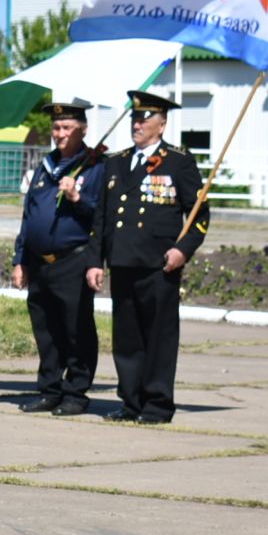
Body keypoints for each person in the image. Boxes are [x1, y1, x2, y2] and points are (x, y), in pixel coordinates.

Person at [94, 89, 208, 423]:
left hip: (160, 264)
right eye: (135, 118)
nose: (137, 124)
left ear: (162, 124)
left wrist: (182, 250)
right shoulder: (116, 162)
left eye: (145, 119)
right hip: (123, 260)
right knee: (127, 337)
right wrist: (94, 261)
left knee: (158, 337)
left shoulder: (178, 161)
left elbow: (200, 214)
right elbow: (101, 218)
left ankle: (157, 404)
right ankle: (131, 401)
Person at [11, 101, 103, 416]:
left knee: (76, 330)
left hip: (73, 260)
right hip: (39, 261)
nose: (59, 134)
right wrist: (19, 259)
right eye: (56, 128)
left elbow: (100, 216)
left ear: (83, 129)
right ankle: (49, 389)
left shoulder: (94, 165)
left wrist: (78, 197)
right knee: (46, 330)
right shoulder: (46, 165)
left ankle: (76, 391)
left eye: (66, 128)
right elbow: (29, 215)